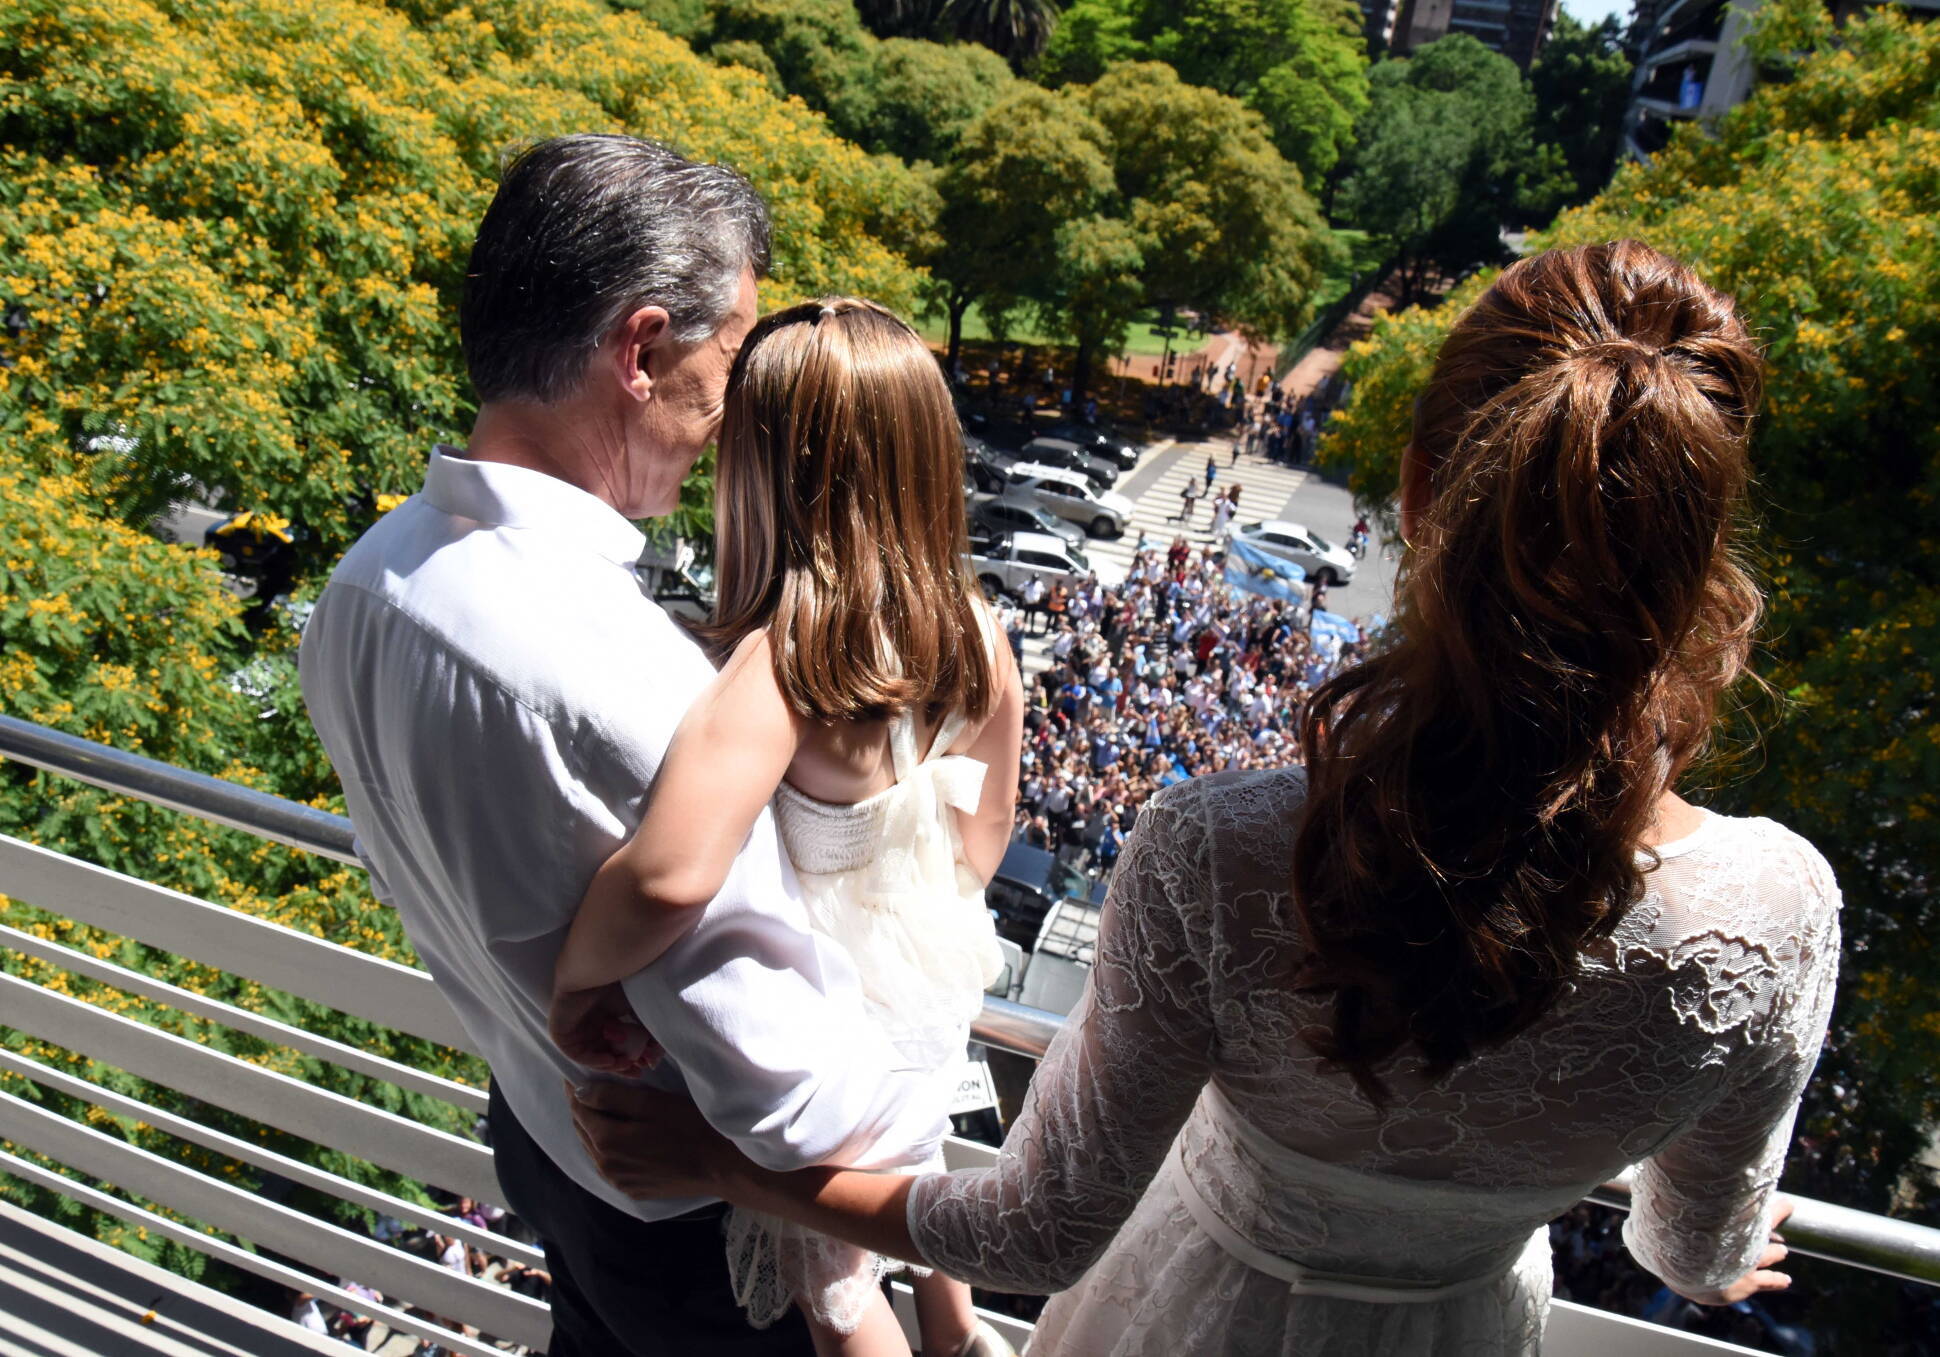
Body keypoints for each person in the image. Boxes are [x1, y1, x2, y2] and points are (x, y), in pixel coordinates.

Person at [566, 241, 1841, 1356]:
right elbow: (1689, 1249)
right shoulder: (1776, 912)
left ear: (1413, 495)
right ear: (1699, 557)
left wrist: (725, 1166)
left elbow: (1040, 1225)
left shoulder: (1226, 846)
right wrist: (1724, 1240)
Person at [300, 135, 951, 1357]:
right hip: (695, 1241)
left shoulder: (365, 580)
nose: (740, 396)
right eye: (734, 347)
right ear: (642, 350)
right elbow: (793, 1099)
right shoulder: (629, 682)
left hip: (544, 1146)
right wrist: (943, 1093)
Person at [548, 299, 1021, 1357]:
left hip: (827, 1020)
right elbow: (984, 839)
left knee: (831, 1280)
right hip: (930, 982)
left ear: (766, 468)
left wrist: (575, 981)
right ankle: (958, 1334)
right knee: (916, 1168)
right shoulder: (978, 633)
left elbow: (668, 875)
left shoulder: (782, 661)